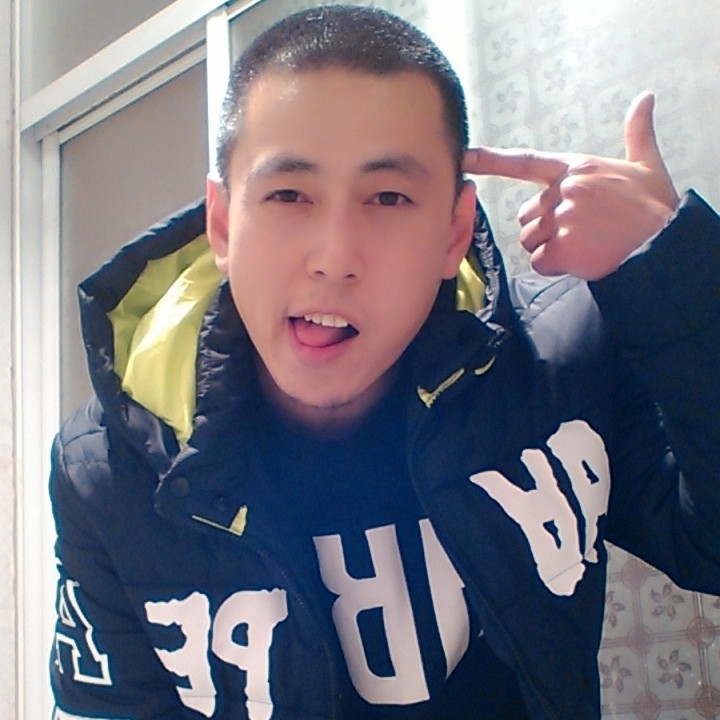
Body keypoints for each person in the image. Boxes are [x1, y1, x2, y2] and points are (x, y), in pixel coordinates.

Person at [49, 5, 720, 720]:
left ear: (454, 231)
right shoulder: (109, 469)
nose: (335, 257)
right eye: (288, 194)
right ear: (222, 225)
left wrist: (676, 270)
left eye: (389, 196)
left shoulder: (560, 360)